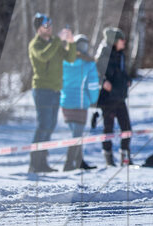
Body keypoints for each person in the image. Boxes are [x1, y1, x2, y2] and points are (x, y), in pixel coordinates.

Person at [28, 13, 76, 173]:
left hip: (56, 90)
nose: (50, 28)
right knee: (43, 125)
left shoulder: (54, 44)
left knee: (51, 125)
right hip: (42, 90)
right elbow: (44, 56)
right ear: (38, 28)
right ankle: (34, 163)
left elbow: (70, 58)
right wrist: (58, 40)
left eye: (50, 24)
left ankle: (42, 162)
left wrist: (71, 42)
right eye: (46, 25)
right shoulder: (35, 44)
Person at [60, 34, 100, 171]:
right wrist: (94, 100)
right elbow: (93, 85)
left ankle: (79, 161)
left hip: (65, 103)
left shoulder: (64, 61)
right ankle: (68, 163)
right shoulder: (88, 64)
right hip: (80, 103)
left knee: (75, 133)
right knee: (77, 135)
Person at [96, 27, 133, 166]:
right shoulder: (104, 54)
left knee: (127, 128)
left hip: (120, 97)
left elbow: (122, 72)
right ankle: (108, 157)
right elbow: (96, 72)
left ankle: (125, 156)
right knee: (108, 129)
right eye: (121, 39)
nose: (124, 42)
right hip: (108, 98)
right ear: (114, 41)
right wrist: (103, 82)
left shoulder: (121, 55)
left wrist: (128, 79)